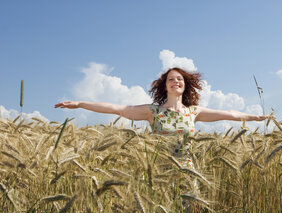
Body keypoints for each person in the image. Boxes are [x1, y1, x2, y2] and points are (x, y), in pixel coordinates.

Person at [55, 67, 269, 166]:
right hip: (161, 170)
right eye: (171, 79)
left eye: (180, 79)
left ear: (185, 85)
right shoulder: (152, 111)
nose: (176, 81)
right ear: (165, 85)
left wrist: (256, 117)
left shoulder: (194, 112)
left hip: (188, 170)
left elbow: (230, 114)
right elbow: (117, 108)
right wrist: (80, 103)